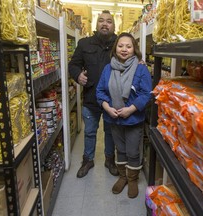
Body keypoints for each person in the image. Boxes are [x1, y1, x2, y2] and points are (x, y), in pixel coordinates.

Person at [96, 32, 152, 198]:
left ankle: (132, 179)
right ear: (115, 48)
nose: (124, 49)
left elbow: (146, 93)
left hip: (133, 119)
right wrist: (107, 108)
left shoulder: (141, 68)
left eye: (128, 46)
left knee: (133, 151)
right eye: (121, 46)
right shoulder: (108, 68)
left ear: (134, 49)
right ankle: (122, 177)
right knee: (120, 149)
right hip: (114, 119)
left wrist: (131, 109)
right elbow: (100, 91)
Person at [68, 10, 118, 178]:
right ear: (96, 25)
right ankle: (88, 160)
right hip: (91, 97)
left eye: (109, 21)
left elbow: (134, 60)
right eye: (101, 21)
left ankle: (110, 160)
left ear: (114, 25)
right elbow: (73, 65)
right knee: (90, 131)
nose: (105, 24)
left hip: (113, 100)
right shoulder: (84, 44)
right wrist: (77, 75)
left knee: (111, 132)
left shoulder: (120, 44)